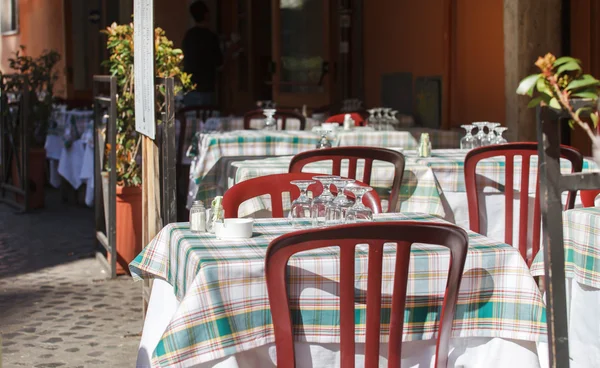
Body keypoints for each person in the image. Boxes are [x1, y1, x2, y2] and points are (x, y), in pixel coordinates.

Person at [182, 1, 223, 107]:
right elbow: (219, 63)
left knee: (191, 119)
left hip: (190, 87)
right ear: (206, 15)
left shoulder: (189, 36)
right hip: (206, 87)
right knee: (208, 120)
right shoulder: (211, 37)